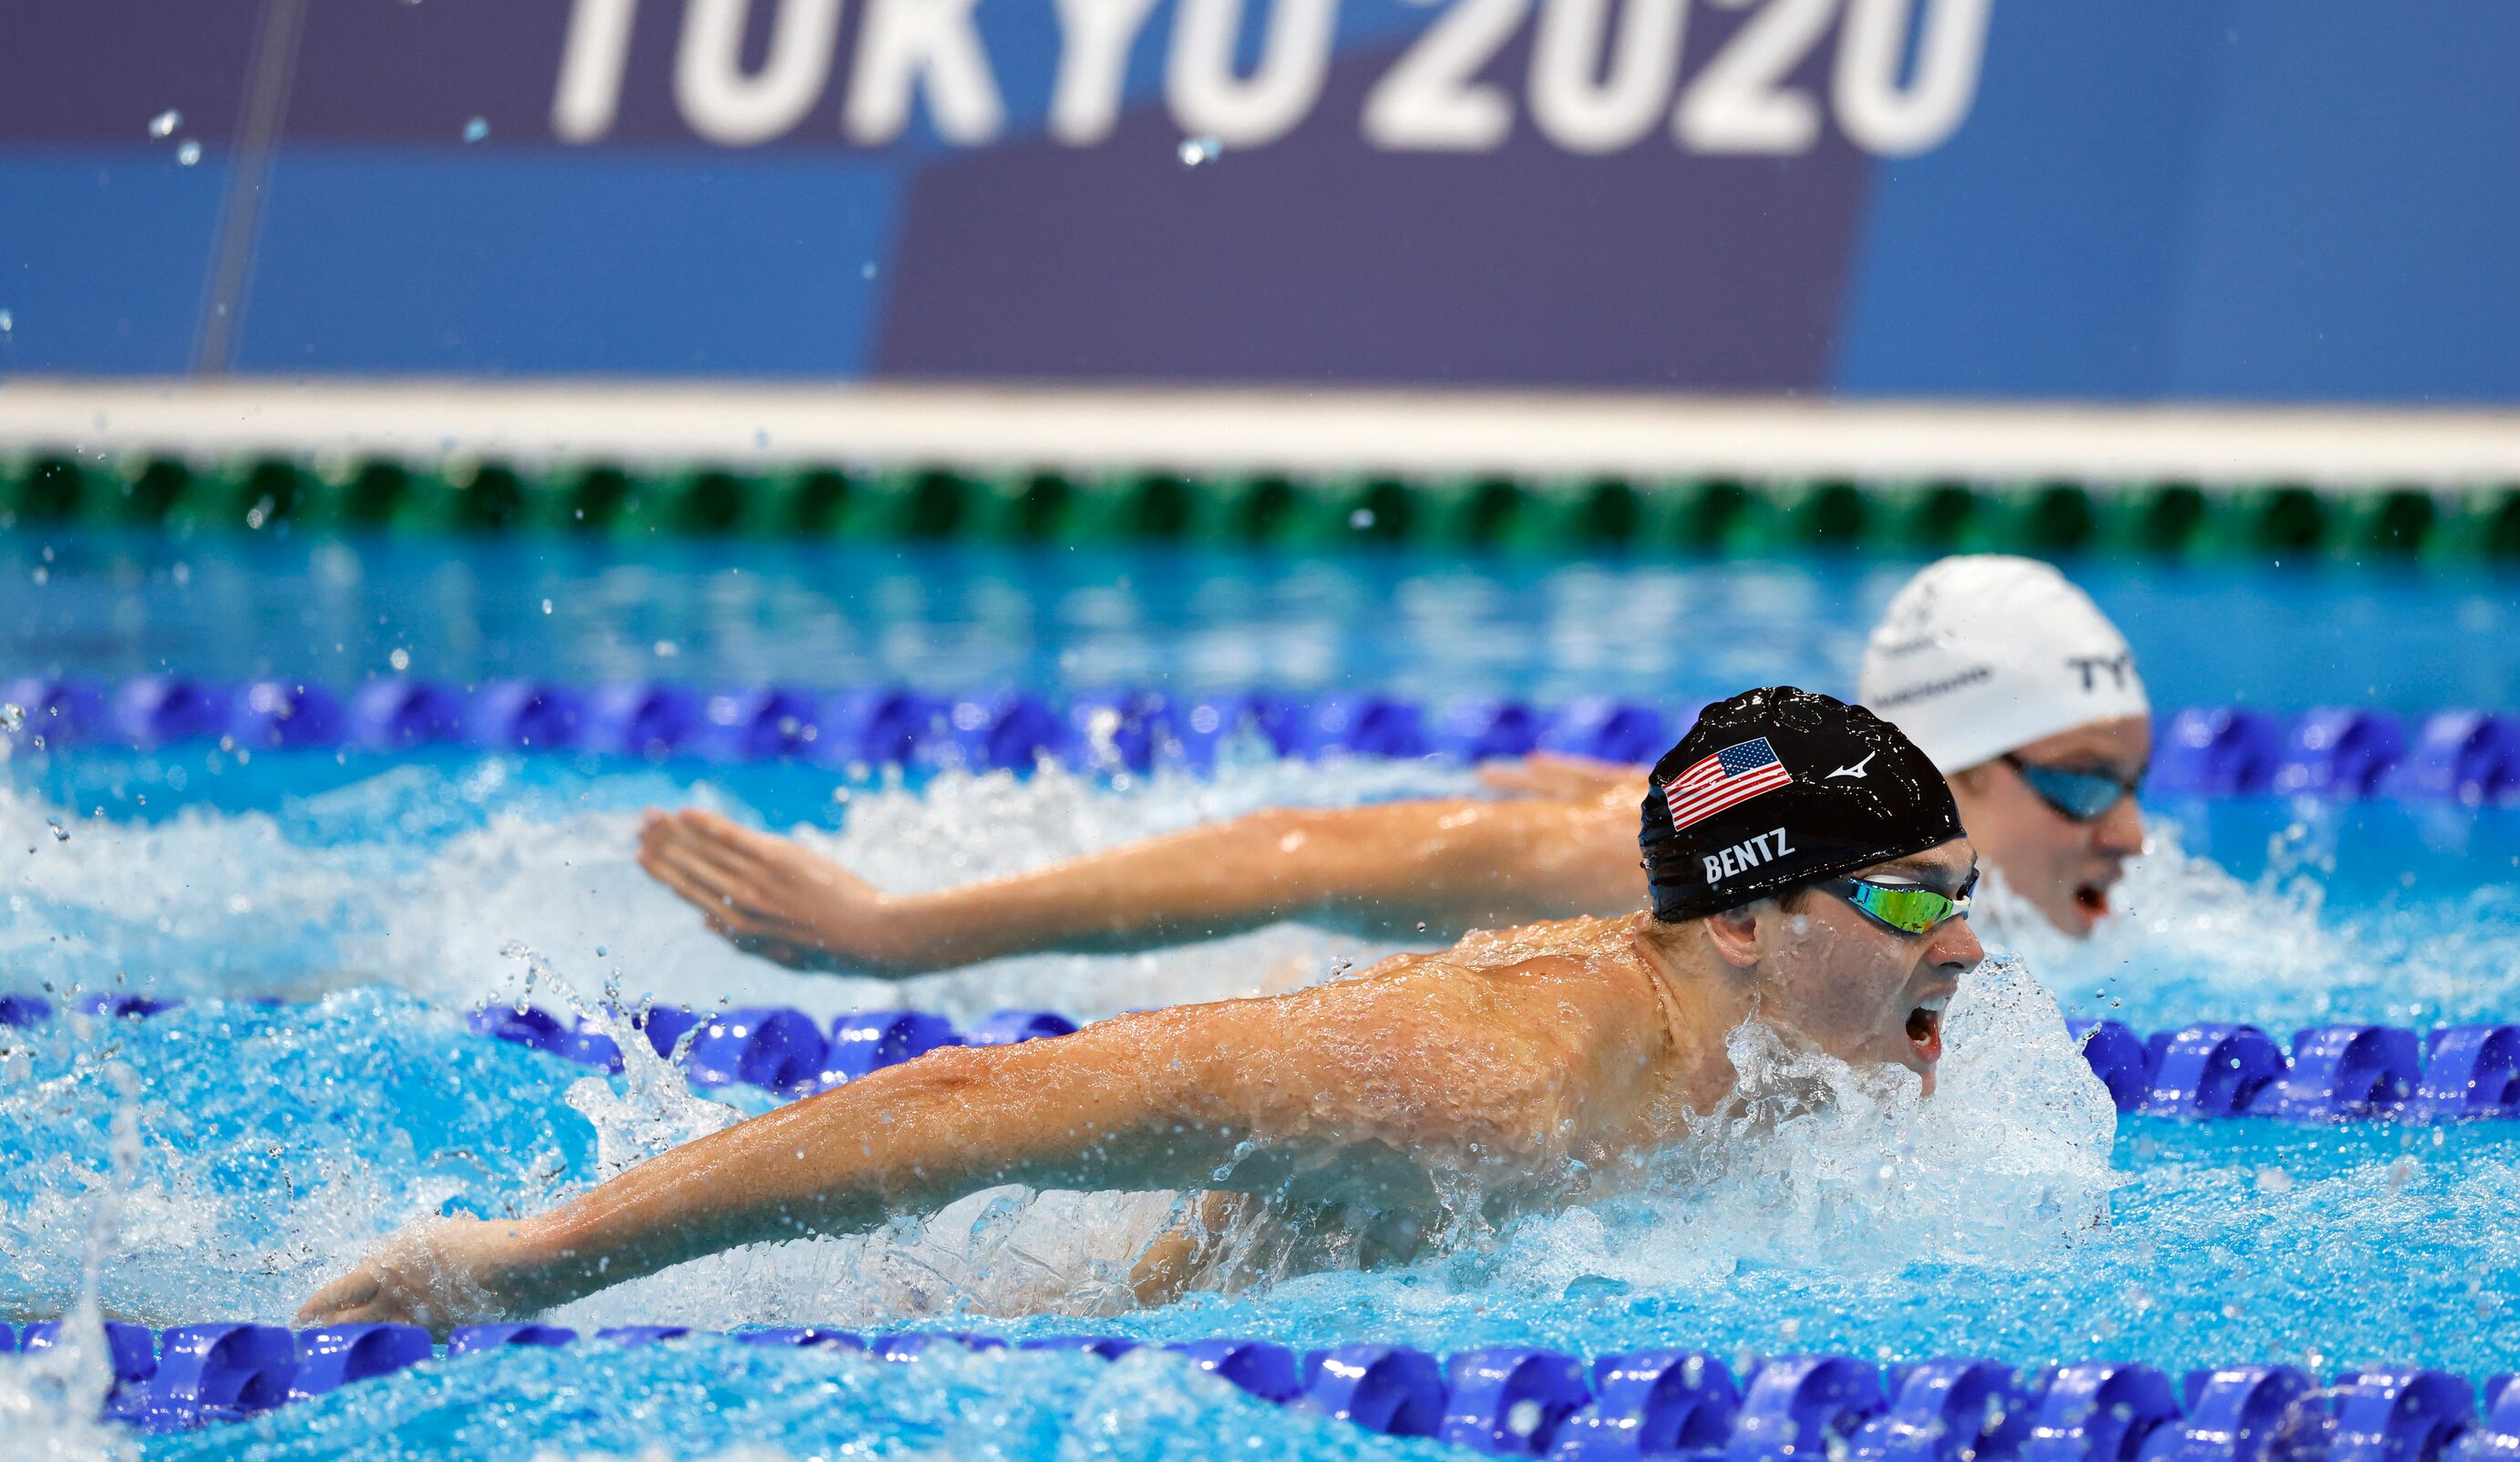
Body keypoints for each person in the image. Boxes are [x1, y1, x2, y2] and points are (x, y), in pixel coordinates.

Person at [300, 689, 1983, 1331]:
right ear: (1751, 921)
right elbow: (972, 1113)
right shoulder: (1473, 1081)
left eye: (1963, 895)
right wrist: (522, 1264)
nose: (1967, 951)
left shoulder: (1829, 1051)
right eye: (1915, 900)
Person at [633, 555, 2146, 972]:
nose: (2131, 831)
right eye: (2084, 781)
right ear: (1948, 766)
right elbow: (1304, 853)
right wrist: (898, 934)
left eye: (2136, 780)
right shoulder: (1653, 875)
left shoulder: (1999, 919)